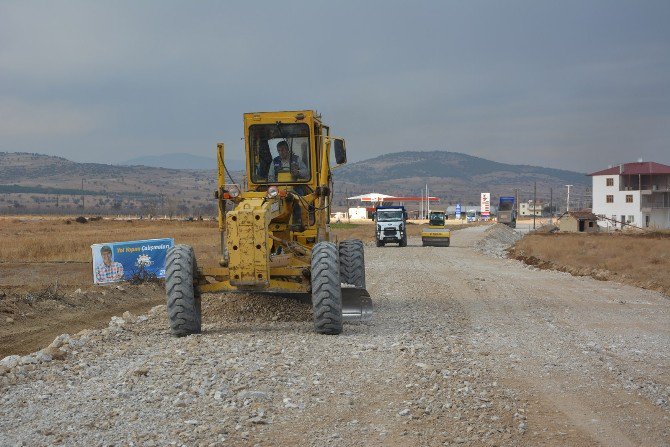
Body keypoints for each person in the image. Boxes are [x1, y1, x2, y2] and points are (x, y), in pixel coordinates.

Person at [267, 141, 309, 229]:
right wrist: (275, 185)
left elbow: (306, 173)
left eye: (283, 150)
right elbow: (270, 177)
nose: (281, 152)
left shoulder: (296, 159)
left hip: (294, 187)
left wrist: (298, 172)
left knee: (300, 198)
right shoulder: (275, 162)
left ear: (287, 150)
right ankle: (273, 221)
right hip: (279, 189)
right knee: (270, 201)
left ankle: (298, 220)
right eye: (279, 150)